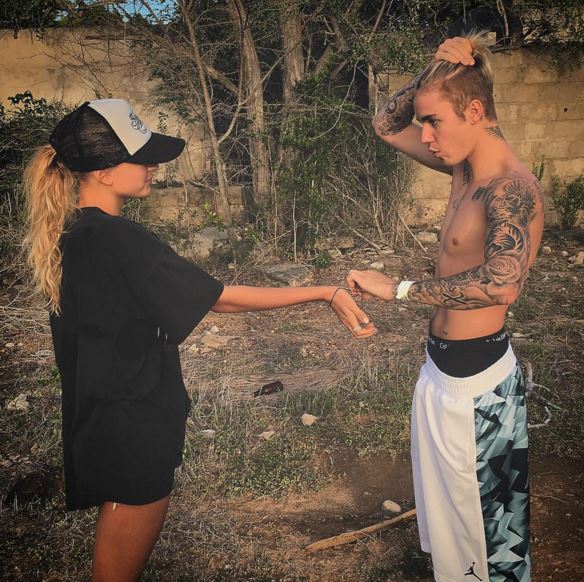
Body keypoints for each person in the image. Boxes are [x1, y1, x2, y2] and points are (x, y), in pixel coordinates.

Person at [23, 98, 376, 582]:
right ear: (103, 172)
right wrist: (323, 292)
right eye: (141, 158)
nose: (153, 167)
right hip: (133, 429)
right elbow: (220, 299)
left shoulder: (75, 234)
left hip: (103, 421)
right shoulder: (118, 238)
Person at [347, 35, 543, 582]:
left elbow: (503, 285)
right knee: (453, 538)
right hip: (440, 373)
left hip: (480, 390)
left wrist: (400, 290)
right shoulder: (462, 169)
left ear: (475, 112)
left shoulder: (510, 188)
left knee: (495, 548)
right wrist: (436, 68)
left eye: (434, 122)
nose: (426, 136)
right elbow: (385, 124)